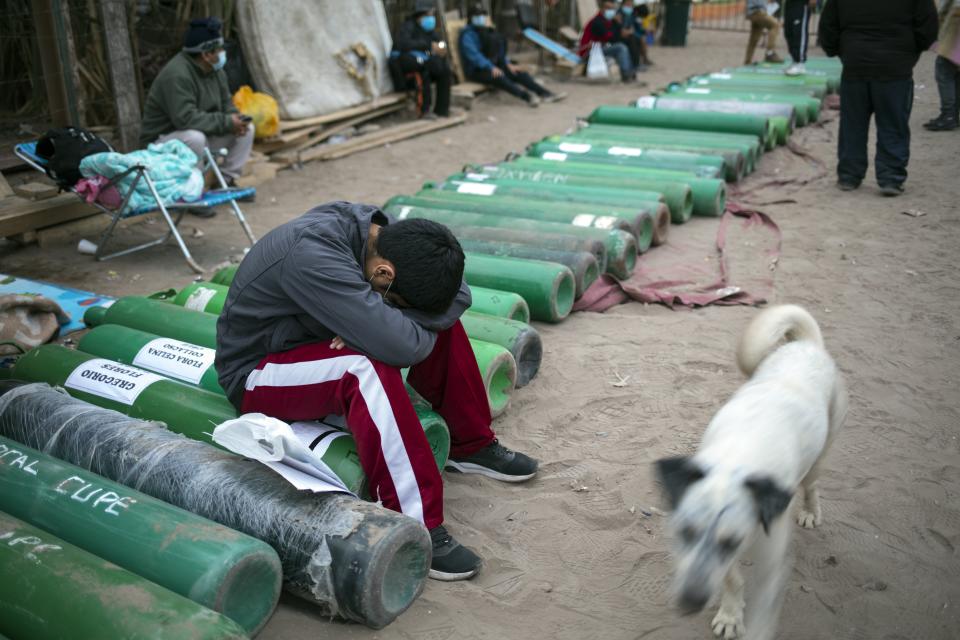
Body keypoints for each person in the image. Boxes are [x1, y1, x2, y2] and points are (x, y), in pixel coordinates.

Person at [214, 201, 539, 581]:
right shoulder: (312, 254)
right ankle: (417, 522)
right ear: (383, 273)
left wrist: (378, 320)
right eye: (390, 297)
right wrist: (376, 328)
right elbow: (403, 348)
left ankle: (471, 446)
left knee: (435, 321)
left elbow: (457, 294)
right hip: (260, 371)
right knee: (365, 364)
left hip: (313, 343)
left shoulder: (386, 234)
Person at [820, 0, 939, 196]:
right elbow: (928, 27)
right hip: (895, 65)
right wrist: (911, 52)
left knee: (853, 124)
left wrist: (839, 50)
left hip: (855, 62)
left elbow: (828, 25)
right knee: (893, 123)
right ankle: (891, 177)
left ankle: (849, 175)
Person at [140, 18, 253, 195]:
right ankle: (194, 191)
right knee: (195, 137)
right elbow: (185, 119)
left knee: (248, 130)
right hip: (162, 141)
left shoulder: (215, 70)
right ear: (206, 54)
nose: (223, 53)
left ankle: (224, 182)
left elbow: (226, 104)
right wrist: (226, 122)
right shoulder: (177, 75)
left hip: (199, 132)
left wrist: (236, 120)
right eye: (220, 49)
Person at [459, 4, 566, 107]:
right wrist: (490, 67)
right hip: (477, 70)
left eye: (482, 15)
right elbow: (474, 56)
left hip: (494, 66)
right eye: (477, 16)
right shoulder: (467, 35)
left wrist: (507, 63)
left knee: (518, 73)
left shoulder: (488, 31)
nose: (480, 18)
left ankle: (545, 94)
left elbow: (497, 50)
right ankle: (527, 97)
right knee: (500, 77)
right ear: (470, 18)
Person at [392, 0, 452, 119]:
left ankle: (442, 110)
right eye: (429, 15)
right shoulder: (408, 27)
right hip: (404, 62)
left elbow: (439, 43)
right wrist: (429, 46)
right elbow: (403, 44)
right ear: (420, 16)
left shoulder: (429, 31)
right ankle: (423, 110)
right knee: (423, 68)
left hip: (424, 60)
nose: (431, 18)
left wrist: (441, 48)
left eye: (432, 15)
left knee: (445, 70)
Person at [578, 0, 636, 82]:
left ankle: (631, 71)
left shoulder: (607, 21)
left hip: (601, 48)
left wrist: (618, 25)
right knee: (620, 47)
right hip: (590, 51)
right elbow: (611, 37)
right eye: (608, 8)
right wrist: (618, 24)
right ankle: (626, 74)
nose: (610, 11)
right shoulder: (597, 21)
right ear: (601, 9)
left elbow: (616, 36)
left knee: (628, 42)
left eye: (612, 9)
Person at [924, 0, 960, 131]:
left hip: (956, 28)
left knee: (944, 70)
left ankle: (949, 115)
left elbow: (945, 7)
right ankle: (953, 114)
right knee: (955, 72)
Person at [744, 0, 785, 65]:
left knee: (754, 38)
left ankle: (747, 61)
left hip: (753, 11)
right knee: (775, 25)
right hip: (757, 11)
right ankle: (770, 53)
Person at [618, 0, 654, 70]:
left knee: (639, 38)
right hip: (621, 35)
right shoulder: (619, 14)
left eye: (631, 3)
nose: (630, 5)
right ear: (624, 3)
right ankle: (637, 63)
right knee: (637, 39)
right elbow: (618, 28)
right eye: (628, 3)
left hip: (630, 34)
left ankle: (642, 60)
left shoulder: (631, 14)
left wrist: (645, 31)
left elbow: (637, 26)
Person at [783, 0, 815, 75]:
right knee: (788, 32)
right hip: (789, 3)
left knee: (799, 32)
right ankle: (794, 60)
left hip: (801, 3)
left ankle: (800, 63)